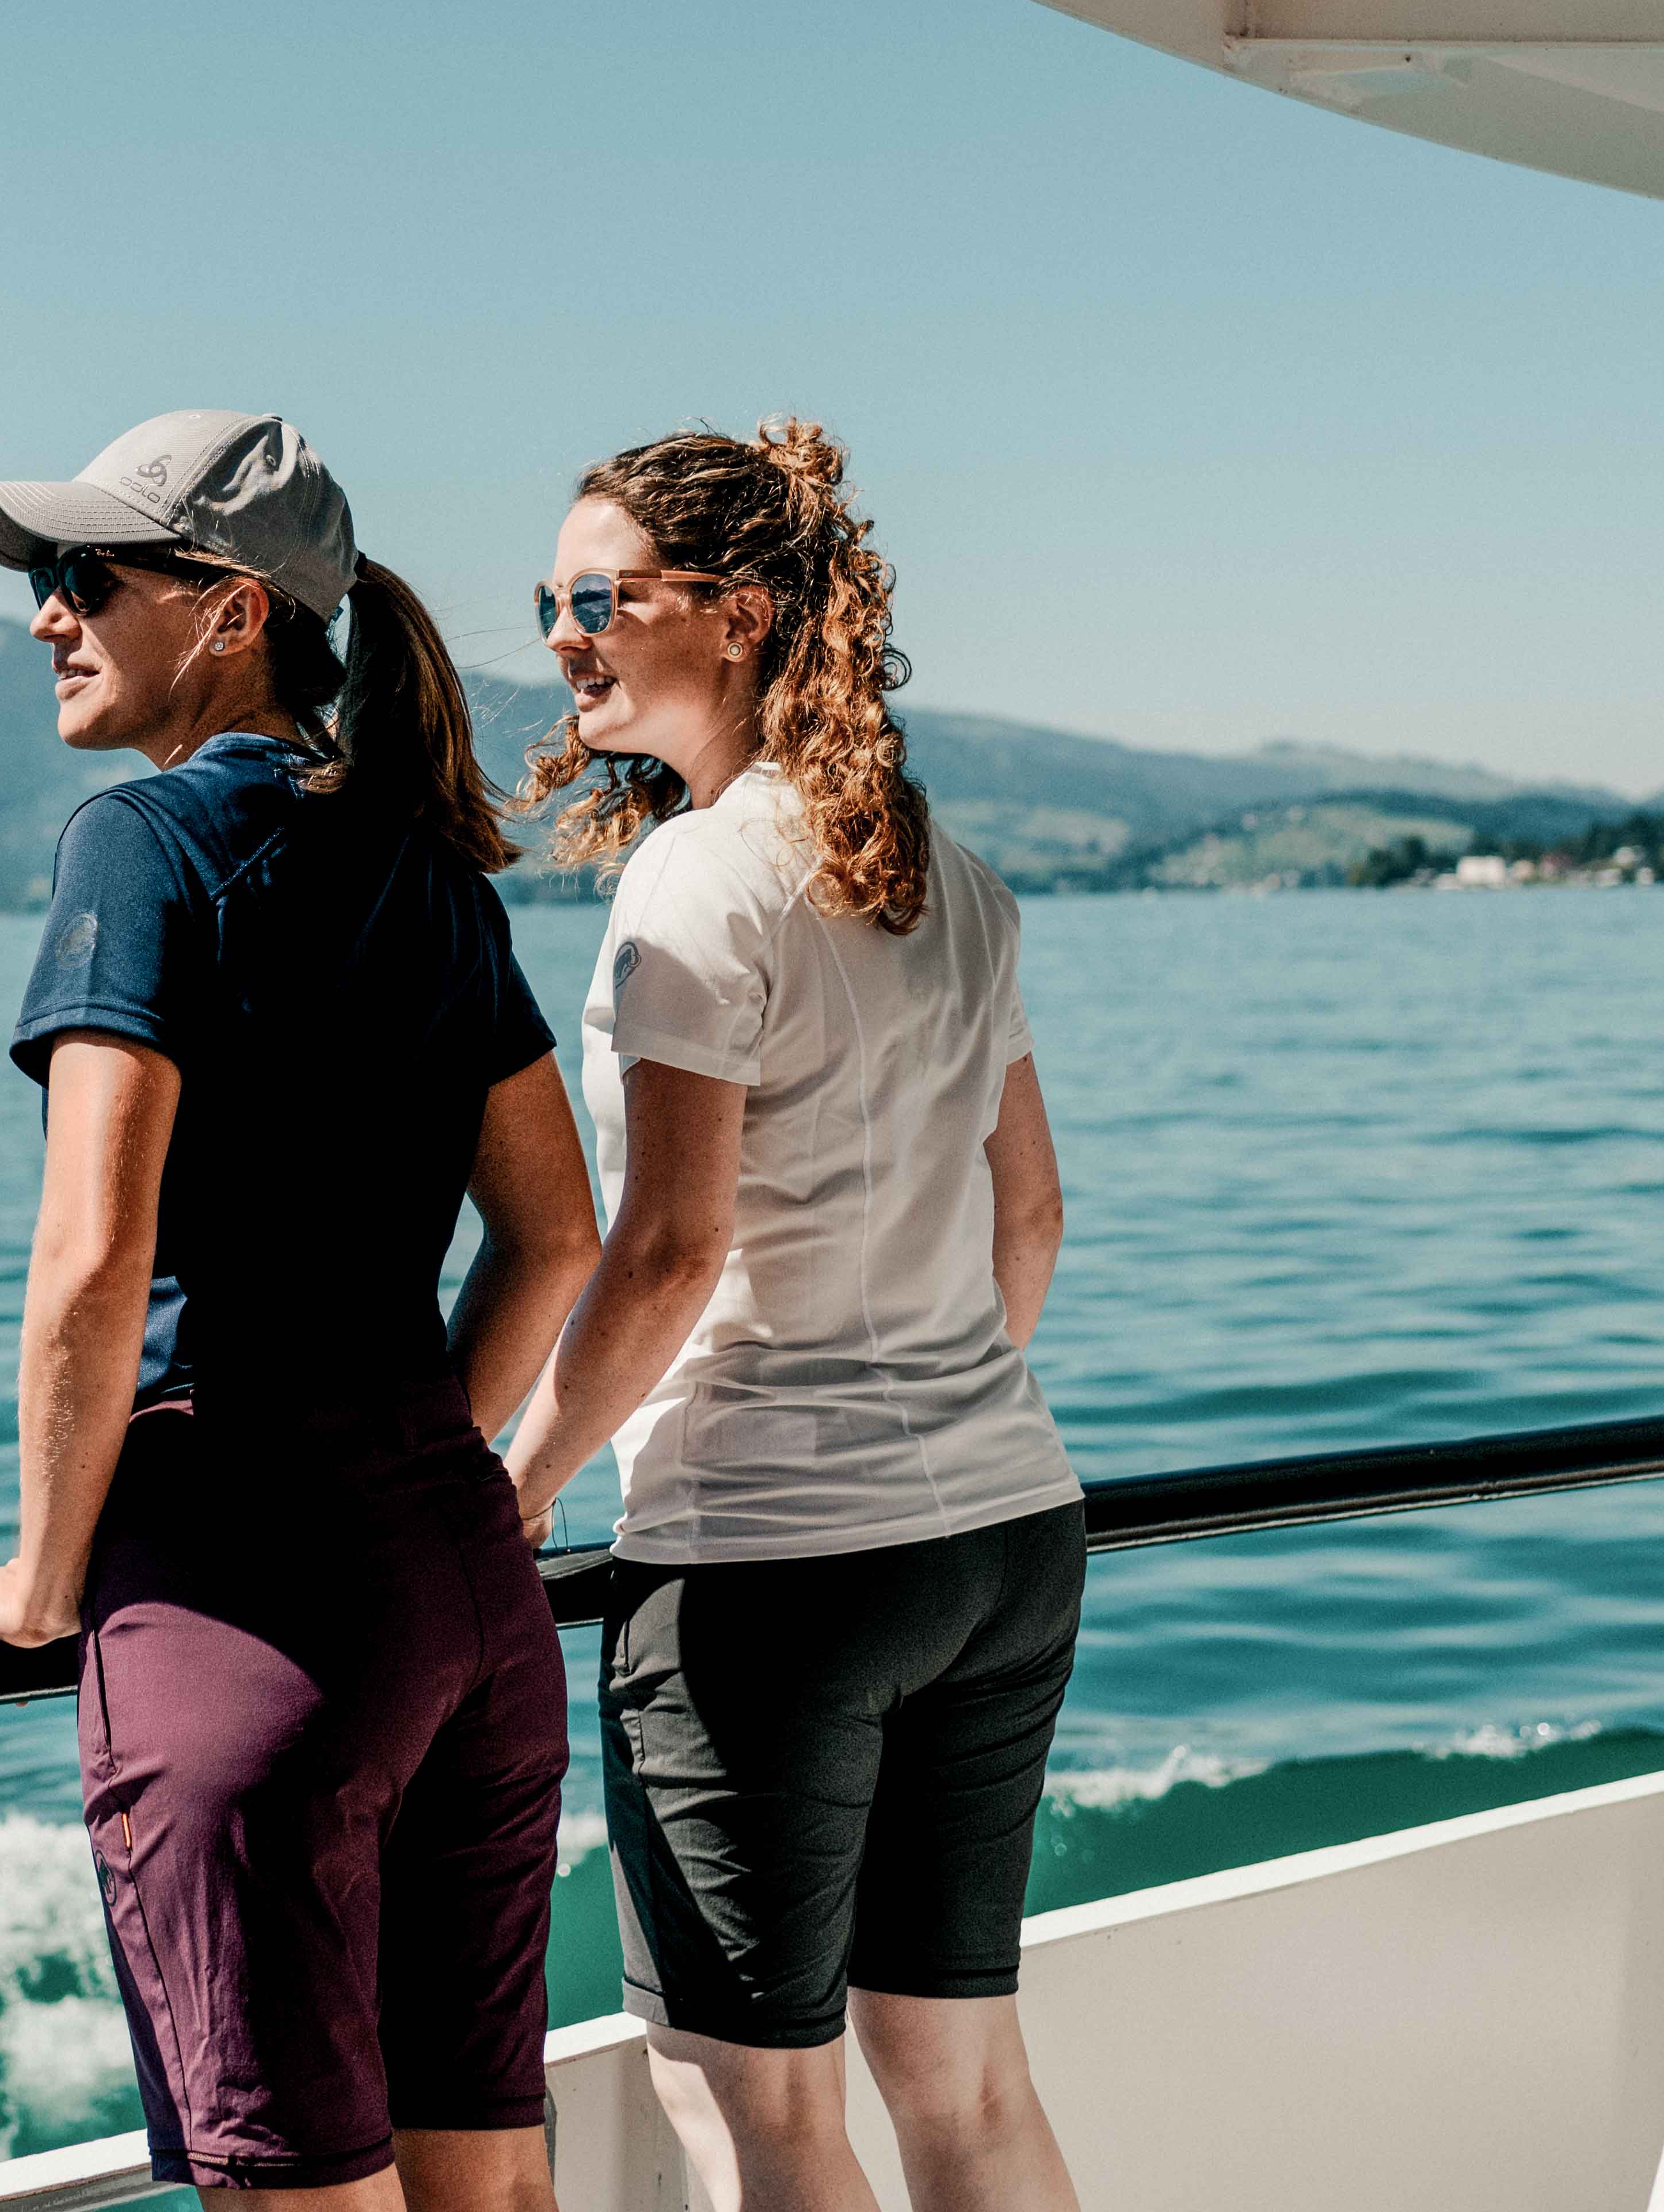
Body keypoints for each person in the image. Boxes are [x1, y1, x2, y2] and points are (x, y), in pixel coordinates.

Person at [0, 408, 606, 2211]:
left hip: (248, 1601)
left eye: (86, 576)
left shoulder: (138, 847)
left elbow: (92, 1257)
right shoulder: (430, 865)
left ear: (232, 611)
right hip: (467, 1599)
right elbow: (557, 1235)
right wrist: (420, 1456)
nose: (44, 616)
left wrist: (42, 1576)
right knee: (492, 2192)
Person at [497, 423, 1085, 2212]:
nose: (562, 638)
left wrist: (511, 1485)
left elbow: (667, 1255)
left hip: (773, 1571)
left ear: (738, 614)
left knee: (755, 2114)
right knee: (967, 2088)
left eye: (601, 599)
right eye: (549, 604)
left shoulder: (696, 877)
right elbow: (1034, 1216)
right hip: (1001, 1532)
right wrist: (931, 1408)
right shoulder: (949, 877)